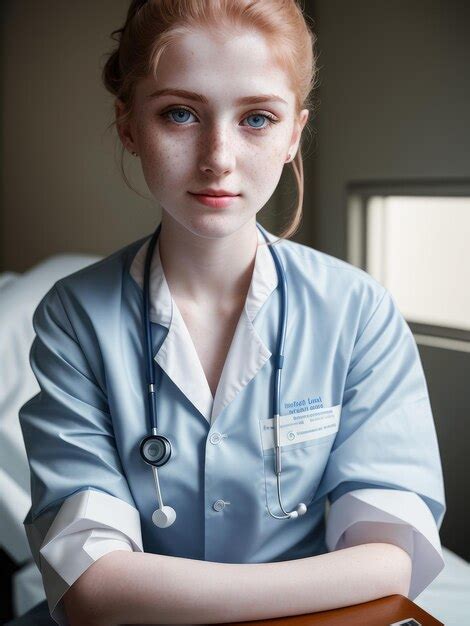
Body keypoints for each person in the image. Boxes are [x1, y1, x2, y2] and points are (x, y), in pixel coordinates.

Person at [18, 1, 446, 625]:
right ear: (129, 125)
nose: (217, 156)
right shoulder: (74, 317)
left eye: (256, 118)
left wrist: (147, 589)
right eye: (180, 113)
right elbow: (89, 587)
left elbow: (392, 557)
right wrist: (323, 579)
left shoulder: (357, 311)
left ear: (295, 131)